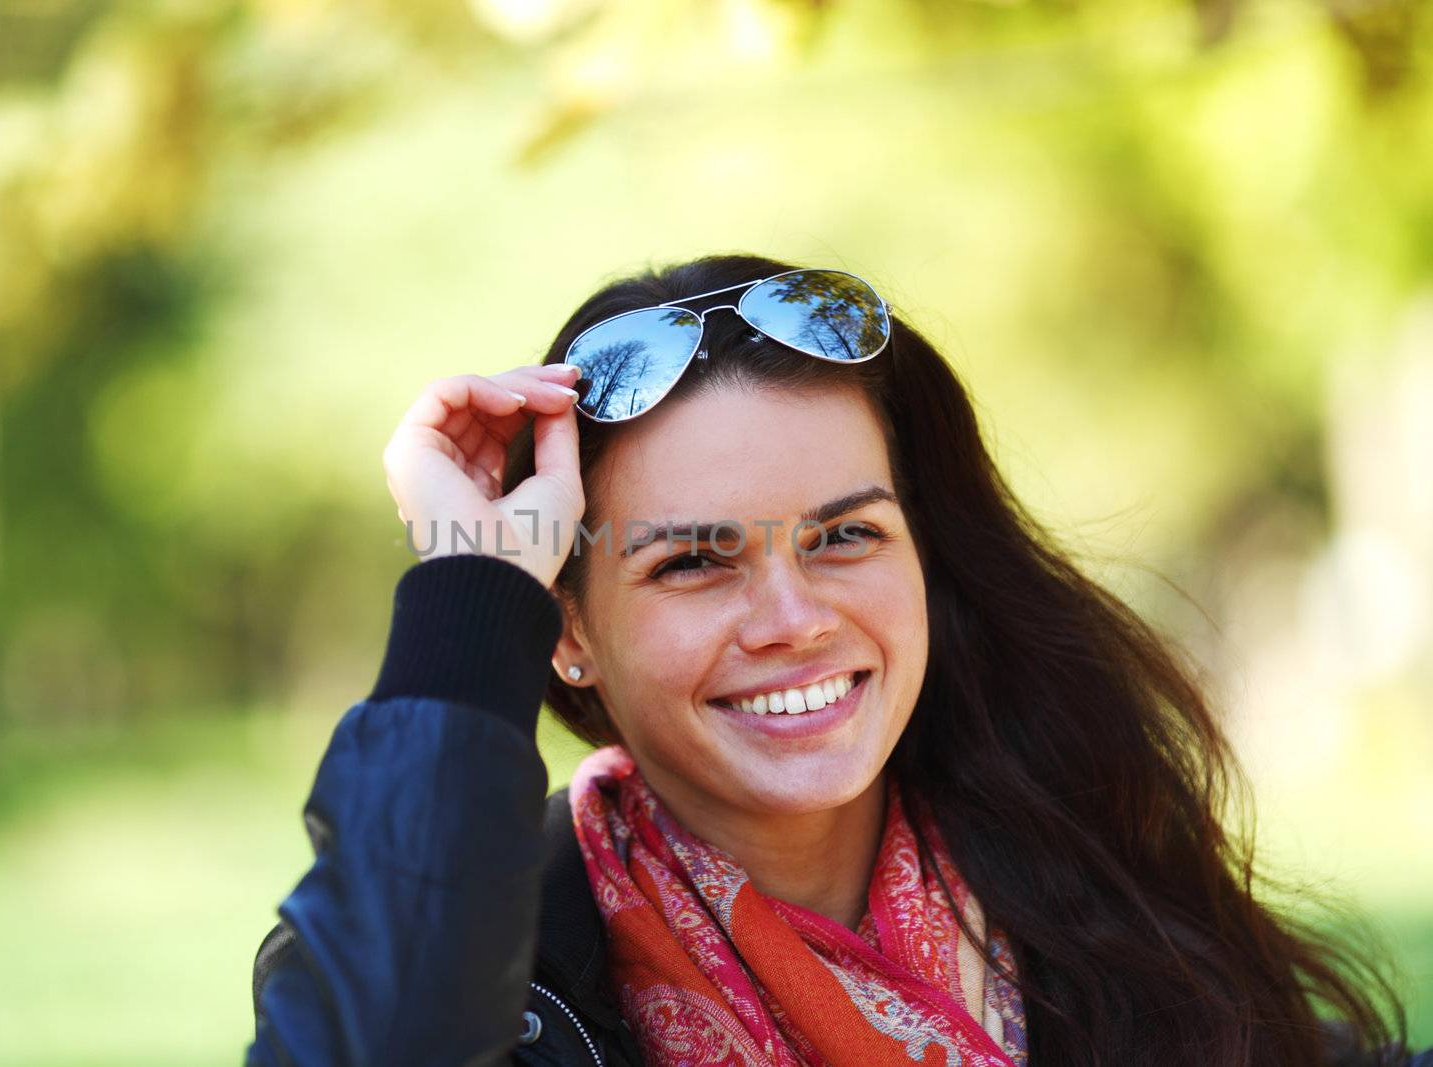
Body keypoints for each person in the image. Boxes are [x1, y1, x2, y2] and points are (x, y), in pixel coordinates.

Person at [244, 254, 1419, 1066]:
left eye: (844, 533)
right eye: (694, 561)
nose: (791, 617)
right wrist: (468, 583)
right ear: (566, 627)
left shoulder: (1079, 864)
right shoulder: (484, 962)